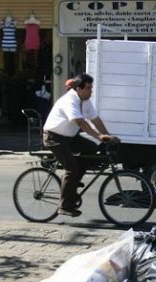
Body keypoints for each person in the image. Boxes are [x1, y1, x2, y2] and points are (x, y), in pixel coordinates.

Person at [42, 73, 119, 217]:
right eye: (88, 88)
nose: (91, 91)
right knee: (72, 169)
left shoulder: (85, 100)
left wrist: (107, 136)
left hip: (69, 137)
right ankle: (64, 206)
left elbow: (95, 120)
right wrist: (99, 136)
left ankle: (73, 183)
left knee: (91, 149)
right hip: (54, 138)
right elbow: (81, 123)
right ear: (78, 88)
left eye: (91, 87)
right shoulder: (69, 101)